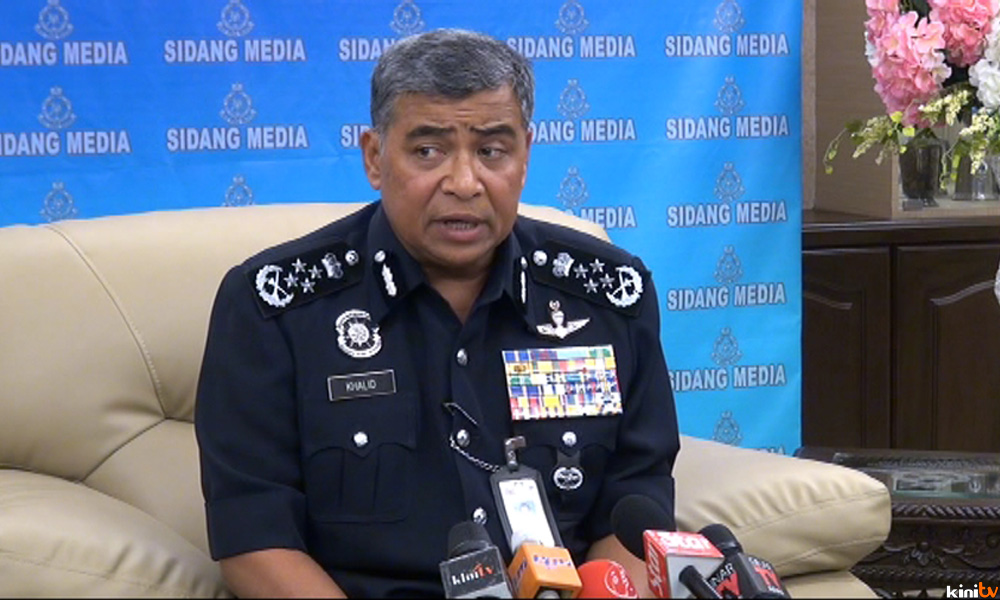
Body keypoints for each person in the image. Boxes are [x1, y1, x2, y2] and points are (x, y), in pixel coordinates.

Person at [195, 28, 679, 598]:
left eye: (492, 151)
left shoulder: (605, 297)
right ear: (374, 158)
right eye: (428, 151)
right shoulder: (274, 308)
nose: (464, 183)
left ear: (525, 155)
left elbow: (636, 500)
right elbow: (254, 538)